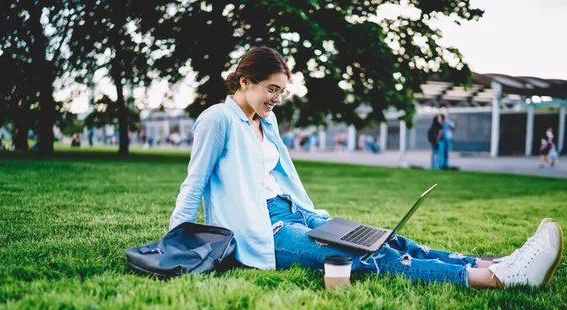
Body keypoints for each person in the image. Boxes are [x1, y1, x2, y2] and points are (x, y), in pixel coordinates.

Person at [168, 46, 563, 289]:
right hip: (263, 231)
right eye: (271, 89)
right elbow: (194, 184)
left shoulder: (264, 120)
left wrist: (310, 215)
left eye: (281, 91)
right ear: (244, 81)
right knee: (366, 259)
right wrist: (174, 245)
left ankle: (498, 262)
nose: (277, 99)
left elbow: (276, 177)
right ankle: (495, 279)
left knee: (382, 239)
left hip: (295, 214)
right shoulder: (217, 120)